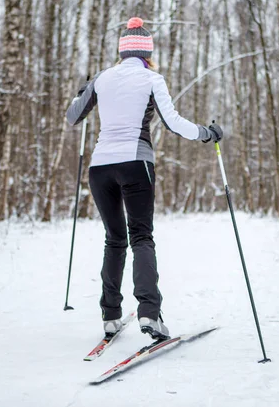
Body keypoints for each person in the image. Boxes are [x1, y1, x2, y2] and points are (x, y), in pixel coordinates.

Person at [66, 17, 223, 340]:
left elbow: (72, 116)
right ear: (147, 52)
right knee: (141, 237)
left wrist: (81, 92)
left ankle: (110, 316)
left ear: (122, 52)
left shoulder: (102, 78)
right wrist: (207, 134)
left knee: (114, 239)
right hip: (136, 164)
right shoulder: (152, 78)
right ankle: (149, 314)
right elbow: (174, 123)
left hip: (101, 169)